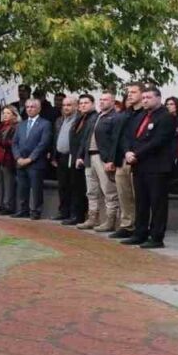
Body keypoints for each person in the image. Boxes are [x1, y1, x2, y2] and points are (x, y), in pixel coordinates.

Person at [122, 86, 175, 248]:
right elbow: (130, 136)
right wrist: (127, 152)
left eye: (149, 97)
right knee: (141, 202)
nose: (145, 100)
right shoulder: (141, 116)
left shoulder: (166, 117)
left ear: (158, 98)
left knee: (157, 204)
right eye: (143, 97)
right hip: (139, 166)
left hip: (157, 167)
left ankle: (156, 237)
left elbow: (157, 141)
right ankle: (140, 233)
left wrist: (135, 154)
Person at [78, 90, 122, 232]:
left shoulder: (115, 117)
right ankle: (92, 218)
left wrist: (111, 160)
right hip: (89, 157)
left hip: (103, 158)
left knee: (109, 190)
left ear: (113, 101)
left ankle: (110, 220)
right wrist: (80, 155)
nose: (102, 102)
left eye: (106, 99)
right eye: (101, 99)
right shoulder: (96, 117)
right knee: (91, 190)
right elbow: (85, 138)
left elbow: (116, 140)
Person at [108, 83, 145, 240]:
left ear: (142, 94)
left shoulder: (146, 114)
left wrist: (134, 153)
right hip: (123, 158)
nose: (129, 95)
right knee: (124, 193)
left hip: (140, 159)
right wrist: (122, 153)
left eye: (133, 92)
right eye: (128, 92)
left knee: (139, 195)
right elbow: (120, 137)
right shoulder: (126, 114)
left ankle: (141, 226)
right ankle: (127, 225)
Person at [11, 99, 52, 220]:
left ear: (39, 109)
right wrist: (18, 157)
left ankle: (36, 211)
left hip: (36, 162)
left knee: (36, 188)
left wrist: (30, 158)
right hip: (20, 161)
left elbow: (43, 144)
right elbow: (15, 143)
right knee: (22, 187)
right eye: (27, 107)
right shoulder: (21, 124)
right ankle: (23, 210)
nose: (29, 109)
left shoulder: (45, 124)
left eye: (33, 107)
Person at [58, 94, 94, 225]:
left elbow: (83, 140)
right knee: (64, 186)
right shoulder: (61, 120)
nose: (66, 108)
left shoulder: (81, 119)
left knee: (76, 187)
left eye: (69, 105)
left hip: (76, 157)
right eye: (64, 105)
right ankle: (65, 212)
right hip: (62, 156)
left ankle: (77, 215)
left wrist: (79, 155)